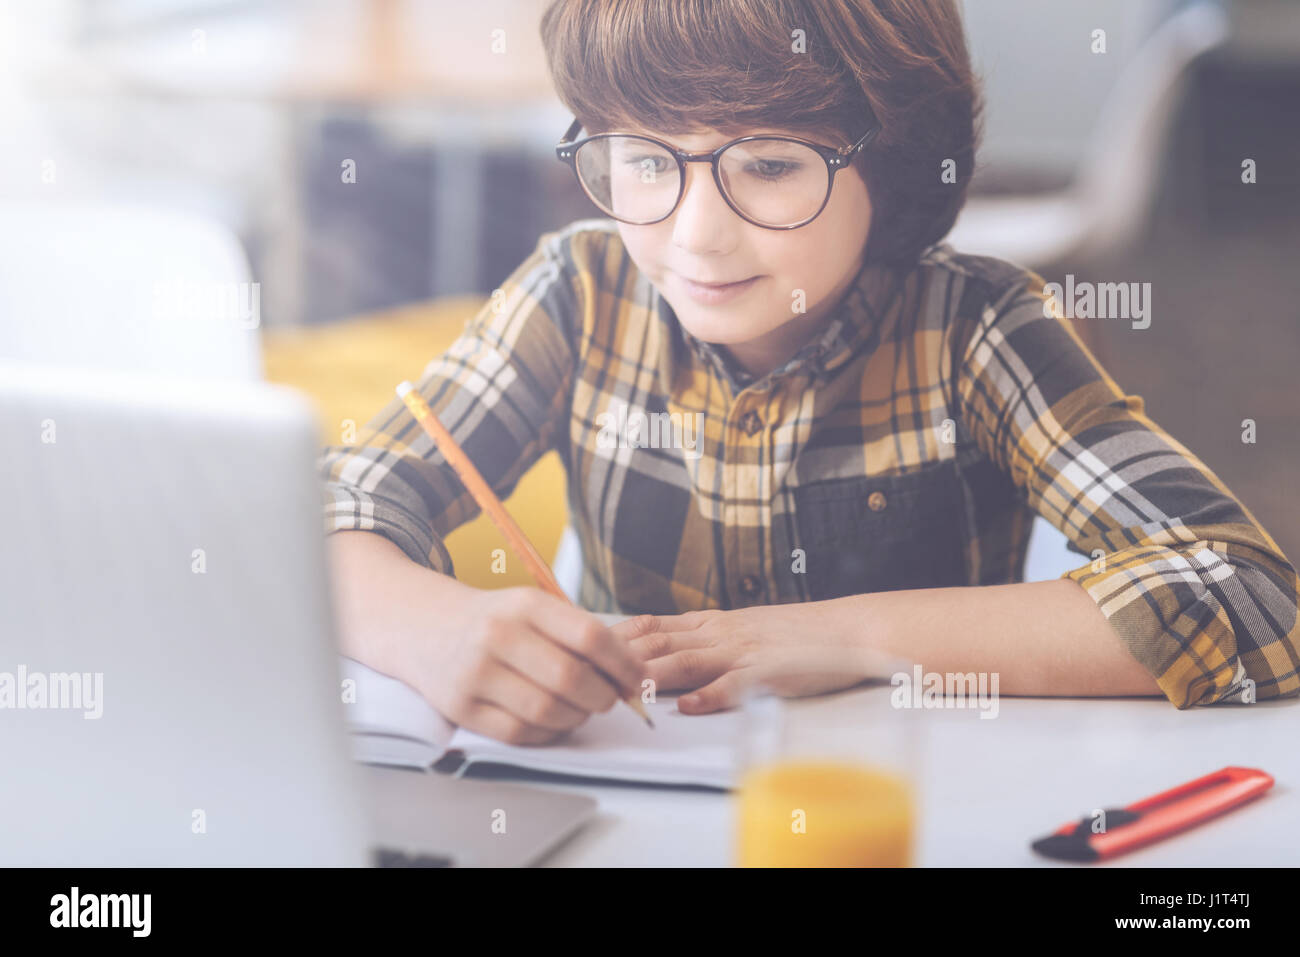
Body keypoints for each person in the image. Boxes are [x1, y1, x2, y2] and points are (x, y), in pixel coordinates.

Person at [320, 0, 1298, 745]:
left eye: (772, 165)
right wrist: (431, 631)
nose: (695, 236)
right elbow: (322, 517)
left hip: (917, 816)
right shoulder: (578, 293)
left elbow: (1248, 596)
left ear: (897, 163)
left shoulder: (973, 329)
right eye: (646, 160)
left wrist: (845, 640)